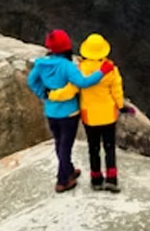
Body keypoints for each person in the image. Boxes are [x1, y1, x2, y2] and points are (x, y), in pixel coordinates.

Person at [27, 29, 113, 192]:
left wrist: (44, 94)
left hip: (51, 112)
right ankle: (63, 180)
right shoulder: (67, 66)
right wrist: (102, 71)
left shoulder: (42, 64)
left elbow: (32, 81)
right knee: (66, 146)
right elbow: (83, 82)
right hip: (69, 113)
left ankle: (69, 170)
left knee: (60, 143)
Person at [50, 32, 126, 191]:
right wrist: (120, 105)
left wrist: (53, 95)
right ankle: (111, 179)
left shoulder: (81, 69)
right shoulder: (111, 69)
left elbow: (71, 90)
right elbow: (117, 92)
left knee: (94, 149)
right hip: (108, 115)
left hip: (89, 117)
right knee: (109, 147)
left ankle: (96, 179)